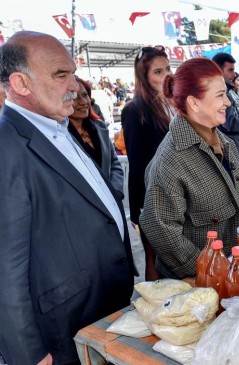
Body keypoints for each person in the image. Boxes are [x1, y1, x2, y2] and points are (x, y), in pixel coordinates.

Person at [0, 31, 135, 365]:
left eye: (72, 73)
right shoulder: (6, 146)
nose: (74, 85)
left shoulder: (56, 126)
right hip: (62, 330)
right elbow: (5, 267)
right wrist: (28, 353)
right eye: (61, 75)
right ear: (21, 83)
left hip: (101, 307)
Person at [140, 58, 239, 279]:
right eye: (220, 95)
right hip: (202, 286)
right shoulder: (171, 160)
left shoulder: (225, 143)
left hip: (236, 271)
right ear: (194, 103)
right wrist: (212, 272)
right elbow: (162, 230)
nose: (228, 103)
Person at [122, 45, 172, 281]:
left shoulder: (174, 104)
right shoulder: (135, 110)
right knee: (153, 260)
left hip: (177, 190)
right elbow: (137, 161)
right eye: (158, 72)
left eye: (168, 69)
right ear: (144, 75)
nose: (166, 76)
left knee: (173, 259)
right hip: (152, 195)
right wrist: (138, 208)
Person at [68, 76, 124, 198]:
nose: (83, 101)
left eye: (85, 95)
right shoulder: (60, 136)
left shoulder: (100, 127)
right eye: (74, 97)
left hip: (111, 202)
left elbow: (114, 163)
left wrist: (116, 192)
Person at [212, 52, 239, 155]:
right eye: (230, 70)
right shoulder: (217, 93)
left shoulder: (228, 91)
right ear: (218, 69)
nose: (234, 74)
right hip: (230, 148)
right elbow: (229, 124)